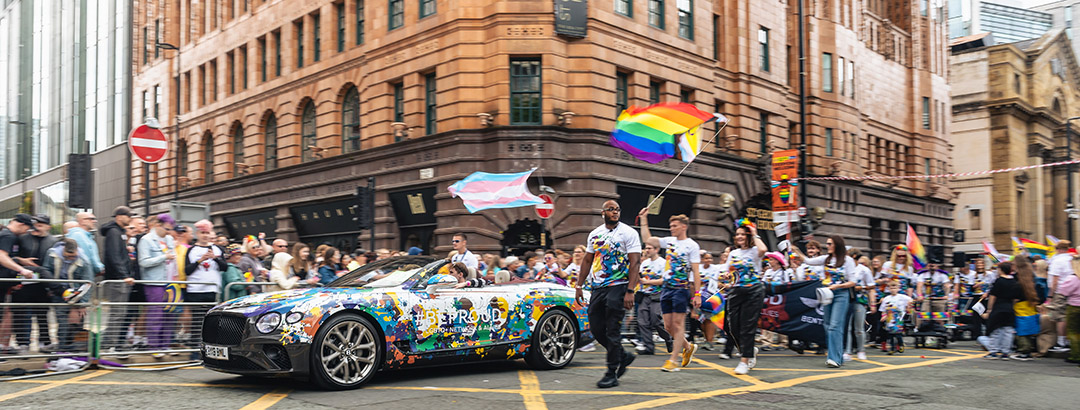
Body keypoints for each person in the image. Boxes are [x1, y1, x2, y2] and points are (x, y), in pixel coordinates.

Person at [575, 200, 641, 388]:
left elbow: (635, 262)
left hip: (619, 286)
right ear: (602, 213)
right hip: (598, 287)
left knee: (612, 330)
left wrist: (630, 290)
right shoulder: (595, 234)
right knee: (596, 328)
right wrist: (579, 286)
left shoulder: (629, 233)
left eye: (617, 210)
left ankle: (611, 372)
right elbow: (587, 260)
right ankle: (623, 355)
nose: (615, 212)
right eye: (611, 210)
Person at [638, 212, 701, 372]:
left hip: (681, 288)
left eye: (674, 226)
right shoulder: (670, 241)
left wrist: (697, 294)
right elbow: (648, 239)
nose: (671, 228)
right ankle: (688, 347)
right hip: (666, 288)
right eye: (670, 225)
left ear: (683, 227)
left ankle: (673, 360)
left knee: (678, 325)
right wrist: (644, 219)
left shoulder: (692, 245)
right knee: (668, 326)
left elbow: (695, 271)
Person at [794, 235, 856, 368]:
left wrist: (837, 286)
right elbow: (807, 261)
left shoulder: (847, 260)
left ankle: (833, 358)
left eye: (829, 244)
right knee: (827, 325)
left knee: (835, 325)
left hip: (840, 294)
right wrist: (796, 251)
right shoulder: (826, 259)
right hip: (826, 293)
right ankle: (838, 355)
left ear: (836, 245)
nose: (827, 246)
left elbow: (853, 282)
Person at [725, 222, 767, 374]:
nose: (740, 237)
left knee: (747, 326)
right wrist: (725, 277)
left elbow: (764, 249)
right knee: (733, 326)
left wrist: (754, 231)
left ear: (748, 236)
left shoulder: (755, 251)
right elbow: (728, 272)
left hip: (754, 291)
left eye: (743, 234)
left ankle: (744, 360)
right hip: (736, 291)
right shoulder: (733, 254)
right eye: (738, 234)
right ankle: (749, 349)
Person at [12, 214, 57, 351]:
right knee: (21, 314)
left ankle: (45, 342)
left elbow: (55, 264)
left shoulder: (53, 241)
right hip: (23, 281)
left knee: (42, 314)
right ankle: (22, 343)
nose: (37, 227)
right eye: (35, 223)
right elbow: (11, 257)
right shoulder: (22, 238)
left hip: (43, 284)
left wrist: (51, 287)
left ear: (48, 226)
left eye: (41, 224)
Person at [137, 214, 177, 354]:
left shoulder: (170, 239)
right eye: (166, 229)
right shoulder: (146, 240)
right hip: (154, 282)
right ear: (157, 225)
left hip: (170, 282)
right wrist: (163, 257)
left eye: (170, 229)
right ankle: (153, 346)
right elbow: (143, 262)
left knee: (169, 314)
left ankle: (165, 345)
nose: (168, 232)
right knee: (156, 314)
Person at [184, 220, 226, 326]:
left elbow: (224, 268)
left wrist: (215, 258)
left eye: (207, 233)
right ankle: (195, 342)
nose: (205, 236)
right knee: (197, 320)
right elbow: (187, 271)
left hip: (212, 289)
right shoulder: (191, 250)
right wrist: (200, 260)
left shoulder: (218, 249)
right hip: (195, 290)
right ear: (197, 233)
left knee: (212, 320)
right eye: (202, 233)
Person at [635, 237, 670, 355]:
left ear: (657, 249)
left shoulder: (663, 263)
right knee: (642, 321)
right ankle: (649, 347)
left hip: (658, 295)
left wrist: (648, 282)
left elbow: (664, 280)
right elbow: (640, 278)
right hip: (645, 295)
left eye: (649, 248)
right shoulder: (644, 263)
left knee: (656, 320)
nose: (646, 250)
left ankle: (669, 338)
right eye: (646, 248)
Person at [981, 261, 1020, 359]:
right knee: (1008, 331)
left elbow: (993, 296)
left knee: (995, 330)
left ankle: (993, 351)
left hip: (998, 307)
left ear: (1001, 270)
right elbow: (1016, 298)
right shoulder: (1014, 282)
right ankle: (1005, 352)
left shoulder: (999, 281)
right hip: (1009, 308)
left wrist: (989, 309)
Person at [1010, 256, 1044, 361]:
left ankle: (1024, 351)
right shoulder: (1032, 276)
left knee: (1021, 330)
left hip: (1020, 306)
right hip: (1031, 305)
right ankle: (1029, 349)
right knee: (1029, 328)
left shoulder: (1016, 279)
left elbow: (1014, 295)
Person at [847, 254, 875, 361]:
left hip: (860, 300)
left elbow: (872, 286)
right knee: (848, 328)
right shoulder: (844, 268)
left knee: (858, 328)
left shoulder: (864, 270)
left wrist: (872, 304)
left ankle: (861, 350)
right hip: (847, 300)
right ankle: (848, 351)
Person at [1048, 240, 1074, 353]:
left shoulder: (1057, 260)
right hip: (1074, 290)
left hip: (1060, 291)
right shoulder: (1071, 259)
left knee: (1060, 317)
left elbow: (1055, 280)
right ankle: (1069, 340)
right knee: (1070, 316)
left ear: (1057, 249)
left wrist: (1050, 295)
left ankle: (1061, 342)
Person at [914, 261, 953, 328]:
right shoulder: (922, 275)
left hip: (939, 300)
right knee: (925, 315)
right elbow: (919, 286)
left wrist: (947, 295)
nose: (932, 265)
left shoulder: (942, 275)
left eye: (933, 264)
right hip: (927, 299)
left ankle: (940, 329)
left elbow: (947, 285)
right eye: (930, 264)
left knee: (940, 317)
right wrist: (920, 295)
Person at [879, 280, 912, 355]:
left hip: (898, 318)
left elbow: (911, 300)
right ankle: (892, 348)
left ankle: (900, 344)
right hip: (889, 318)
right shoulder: (886, 299)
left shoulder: (902, 297)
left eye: (895, 288)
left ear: (898, 288)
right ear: (889, 289)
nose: (893, 290)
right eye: (891, 288)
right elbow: (883, 309)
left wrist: (908, 307)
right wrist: (883, 316)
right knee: (890, 334)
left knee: (898, 333)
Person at [1057, 255, 1080, 365]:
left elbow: (1063, 291)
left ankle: (1076, 356)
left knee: (1073, 332)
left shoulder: (1073, 278)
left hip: (1075, 307)